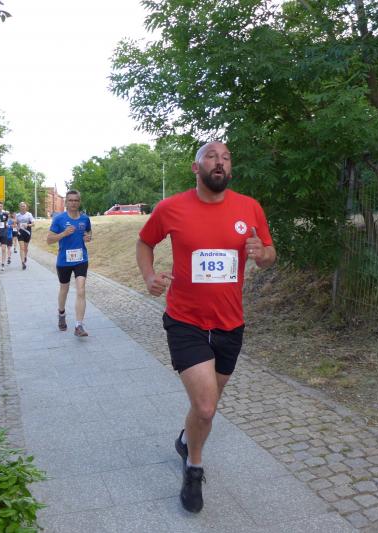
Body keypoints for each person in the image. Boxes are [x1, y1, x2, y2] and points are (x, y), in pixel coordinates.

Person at [136, 141, 276, 514]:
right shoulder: (171, 208)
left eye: (226, 158)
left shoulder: (250, 208)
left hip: (230, 323)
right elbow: (144, 242)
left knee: (205, 407)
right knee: (206, 406)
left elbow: (268, 254)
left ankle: (186, 440)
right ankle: (194, 468)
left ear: (230, 169)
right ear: (196, 168)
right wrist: (149, 276)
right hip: (186, 321)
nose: (220, 162)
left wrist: (262, 253)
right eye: (211, 156)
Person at [47, 190, 92, 337]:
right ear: (66, 202)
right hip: (64, 261)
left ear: (79, 202)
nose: (73, 203)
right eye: (70, 200)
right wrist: (63, 234)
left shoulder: (85, 219)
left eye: (76, 200)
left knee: (81, 290)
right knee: (64, 289)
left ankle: (79, 325)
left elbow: (89, 233)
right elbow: (49, 240)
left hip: (81, 259)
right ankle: (61, 313)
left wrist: (88, 237)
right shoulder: (59, 219)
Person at [15, 202, 35, 270]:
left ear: (26, 207)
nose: (23, 207)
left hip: (27, 232)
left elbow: (33, 224)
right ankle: (23, 262)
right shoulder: (17, 215)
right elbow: (15, 223)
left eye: (24, 206)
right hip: (20, 232)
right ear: (19, 207)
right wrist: (17, 227)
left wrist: (28, 225)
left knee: (26, 248)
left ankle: (25, 256)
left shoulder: (29, 214)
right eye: (21, 206)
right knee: (22, 248)